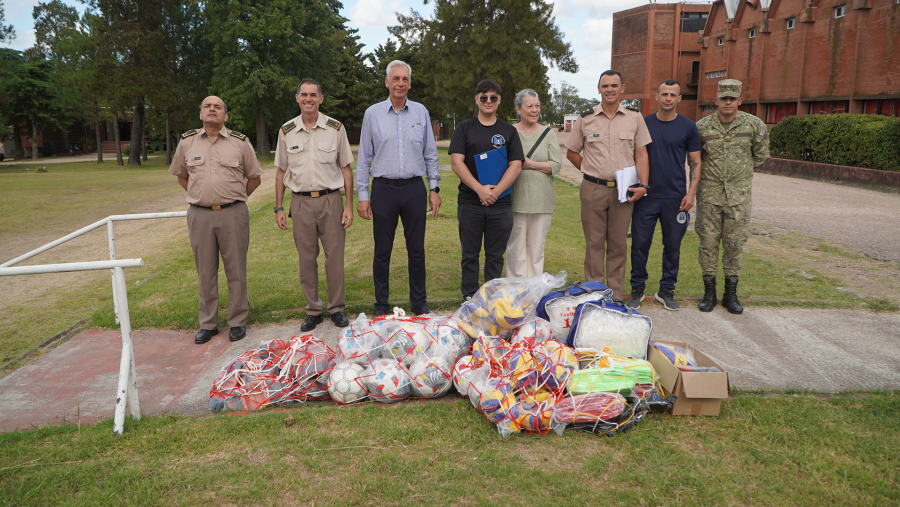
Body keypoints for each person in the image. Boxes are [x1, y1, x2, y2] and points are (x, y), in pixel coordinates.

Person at [169, 96, 263, 344]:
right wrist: (202, 196)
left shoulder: (240, 143)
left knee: (236, 269)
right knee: (206, 271)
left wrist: (234, 197)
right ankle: (208, 324)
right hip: (199, 215)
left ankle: (237, 321)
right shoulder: (188, 142)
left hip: (233, 213)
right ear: (200, 114)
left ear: (226, 116)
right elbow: (181, 175)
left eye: (218, 107)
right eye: (207, 106)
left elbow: (254, 178)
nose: (212, 109)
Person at [356, 60, 441, 317]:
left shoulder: (420, 112)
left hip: (414, 189)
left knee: (416, 250)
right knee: (382, 251)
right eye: (396, 79)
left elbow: (430, 153)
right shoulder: (373, 114)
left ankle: (419, 303)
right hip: (384, 190)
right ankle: (381, 306)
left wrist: (434, 188)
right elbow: (364, 156)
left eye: (405, 79)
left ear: (410, 83)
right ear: (387, 82)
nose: (400, 83)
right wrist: (363, 196)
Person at [274, 78, 355, 331]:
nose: (308, 99)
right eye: (303, 94)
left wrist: (349, 205)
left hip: (331, 200)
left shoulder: (335, 128)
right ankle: (313, 310)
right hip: (300, 203)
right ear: (297, 98)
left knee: (334, 257)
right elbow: (280, 172)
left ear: (321, 99)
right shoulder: (286, 131)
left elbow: (346, 169)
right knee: (306, 259)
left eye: (313, 95)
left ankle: (337, 308)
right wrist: (279, 207)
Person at [565, 70, 651, 298]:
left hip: (623, 191)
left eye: (614, 85)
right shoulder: (586, 118)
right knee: (594, 243)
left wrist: (643, 185)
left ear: (623, 88)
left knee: (618, 244)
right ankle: (594, 295)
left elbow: (641, 154)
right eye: (605, 85)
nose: (610, 89)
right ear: (599, 89)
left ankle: (614, 296)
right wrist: (591, 170)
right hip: (593, 189)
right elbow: (572, 152)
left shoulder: (635, 118)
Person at [626, 79, 702, 311]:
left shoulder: (689, 127)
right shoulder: (643, 123)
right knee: (640, 245)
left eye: (673, 94)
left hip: (676, 198)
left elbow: (696, 161)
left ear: (679, 99)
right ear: (657, 97)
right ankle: (637, 289)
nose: (668, 98)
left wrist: (691, 193)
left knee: (672, 246)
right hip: (646, 196)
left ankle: (666, 290)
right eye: (664, 94)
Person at [695, 79, 769, 314]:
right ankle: (709, 293)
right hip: (709, 196)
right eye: (723, 98)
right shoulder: (702, 127)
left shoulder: (754, 125)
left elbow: (759, 156)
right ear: (716, 100)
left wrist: (738, 177)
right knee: (708, 244)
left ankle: (730, 294)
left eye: (732, 98)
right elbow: (696, 159)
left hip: (738, 198)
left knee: (734, 245)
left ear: (739, 100)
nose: (728, 102)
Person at [449, 79, 524, 300]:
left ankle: (491, 299)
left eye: (493, 97)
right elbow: (457, 162)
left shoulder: (508, 131)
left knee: (495, 255)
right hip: (471, 202)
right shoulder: (464, 128)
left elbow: (516, 165)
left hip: (500, 203)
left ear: (499, 101)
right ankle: (469, 298)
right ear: (477, 99)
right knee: (469, 255)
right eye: (484, 97)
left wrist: (495, 192)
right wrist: (480, 190)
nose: (488, 101)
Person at [506, 88, 561, 278]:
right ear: (518, 109)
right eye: (529, 106)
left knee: (536, 248)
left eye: (537, 106)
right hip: (516, 198)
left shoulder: (548, 133)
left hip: (541, 200)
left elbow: (556, 165)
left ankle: (534, 290)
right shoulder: (509, 132)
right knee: (516, 246)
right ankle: (516, 288)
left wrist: (531, 164)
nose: (534, 110)